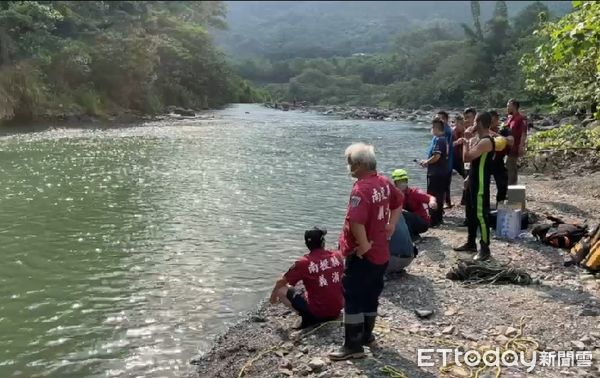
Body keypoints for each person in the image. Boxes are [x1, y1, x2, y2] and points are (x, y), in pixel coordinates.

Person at [329, 143, 403, 360]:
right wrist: (391, 224)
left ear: (360, 164)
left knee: (353, 296)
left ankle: (353, 346)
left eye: (351, 163)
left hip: (364, 254)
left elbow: (356, 222)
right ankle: (367, 336)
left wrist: (363, 245)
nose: (349, 167)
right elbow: (398, 203)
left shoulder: (361, 189)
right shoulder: (384, 182)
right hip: (381, 253)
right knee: (371, 294)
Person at [269, 227, 344, 329]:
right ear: (323, 242)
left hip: (317, 314)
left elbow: (280, 282)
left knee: (281, 289)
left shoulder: (304, 262)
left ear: (307, 245)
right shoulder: (337, 256)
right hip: (336, 311)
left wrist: (272, 298)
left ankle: (306, 317)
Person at [453, 112, 495, 261]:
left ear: (480, 123)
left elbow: (467, 157)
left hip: (481, 184)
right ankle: (471, 242)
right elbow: (475, 164)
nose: (472, 125)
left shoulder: (486, 141)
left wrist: (465, 142)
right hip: (474, 180)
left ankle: (485, 248)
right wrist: (469, 177)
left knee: (481, 215)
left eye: (475, 122)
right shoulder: (479, 139)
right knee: (470, 213)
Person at [390, 168, 436, 239]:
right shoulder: (394, 195)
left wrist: (432, 202)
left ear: (407, 181)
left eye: (403, 181)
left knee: (402, 213)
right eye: (399, 181)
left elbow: (430, 197)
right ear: (395, 183)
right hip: (409, 222)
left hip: (422, 223)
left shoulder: (414, 192)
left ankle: (412, 237)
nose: (402, 183)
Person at [420, 118, 448, 227]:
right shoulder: (443, 139)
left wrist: (426, 162)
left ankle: (434, 219)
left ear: (436, 128)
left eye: (432, 127)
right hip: (440, 172)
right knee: (439, 195)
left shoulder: (439, 140)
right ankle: (438, 218)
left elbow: (436, 156)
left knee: (433, 196)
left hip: (436, 173)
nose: (431, 130)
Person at [489, 110, 514, 206]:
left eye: (493, 121)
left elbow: (511, 141)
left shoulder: (503, 129)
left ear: (497, 120)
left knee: (502, 185)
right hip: (486, 161)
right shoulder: (482, 130)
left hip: (498, 161)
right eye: (489, 121)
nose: (491, 124)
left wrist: (495, 134)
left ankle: (500, 205)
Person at [505, 99, 527, 185]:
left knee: (511, 166)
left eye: (508, 106)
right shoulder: (510, 118)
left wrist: (521, 146)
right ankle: (510, 187)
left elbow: (523, 133)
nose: (507, 108)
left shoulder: (521, 118)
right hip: (508, 146)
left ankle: (512, 187)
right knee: (509, 166)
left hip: (515, 146)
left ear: (513, 106)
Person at [437, 111, 455, 208]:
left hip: (445, 162)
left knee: (443, 183)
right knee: (446, 183)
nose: (438, 121)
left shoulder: (446, 131)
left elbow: (446, 149)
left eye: (440, 118)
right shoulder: (446, 129)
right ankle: (447, 202)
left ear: (445, 119)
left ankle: (443, 203)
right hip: (447, 161)